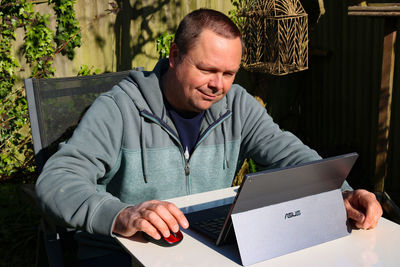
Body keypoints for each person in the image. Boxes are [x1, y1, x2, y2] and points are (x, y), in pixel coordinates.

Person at [35, 8, 383, 266]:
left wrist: (342, 193)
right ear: (174, 56)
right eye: (207, 69)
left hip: (210, 250)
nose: (219, 85)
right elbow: (57, 180)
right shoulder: (120, 108)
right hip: (126, 256)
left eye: (229, 73)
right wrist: (122, 214)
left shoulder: (237, 105)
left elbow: (291, 156)